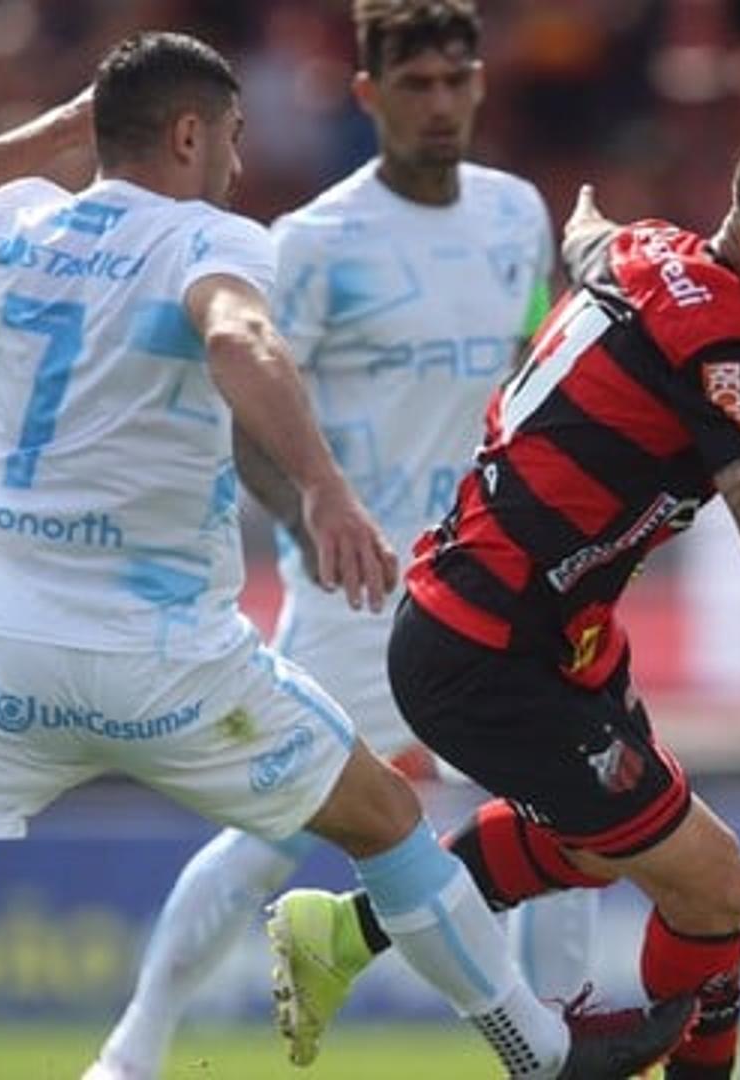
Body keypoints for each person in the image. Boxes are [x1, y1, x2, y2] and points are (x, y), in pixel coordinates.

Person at [0, 32, 693, 1080]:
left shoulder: (10, 227)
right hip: (167, 662)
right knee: (390, 823)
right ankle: (542, 1051)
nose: (236, 164)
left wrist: (52, 132)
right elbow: (241, 337)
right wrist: (325, 486)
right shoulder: (208, 242)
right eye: (229, 138)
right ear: (189, 134)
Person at [264, 117, 740, 1080]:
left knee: (610, 854)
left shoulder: (651, 251)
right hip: (492, 650)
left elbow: (593, 241)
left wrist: (586, 219)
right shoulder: (727, 356)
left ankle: (341, 934)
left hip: (535, 634)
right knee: (715, 887)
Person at [86, 5, 600, 1077]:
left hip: (489, 584)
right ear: (367, 96)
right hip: (358, 597)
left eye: (458, 80)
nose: (442, 104)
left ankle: (559, 1049)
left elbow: (529, 369)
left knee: (567, 814)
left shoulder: (516, 215)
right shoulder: (310, 244)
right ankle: (136, 1048)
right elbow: (246, 407)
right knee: (271, 833)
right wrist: (307, 519)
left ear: (480, 85)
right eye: (416, 85)